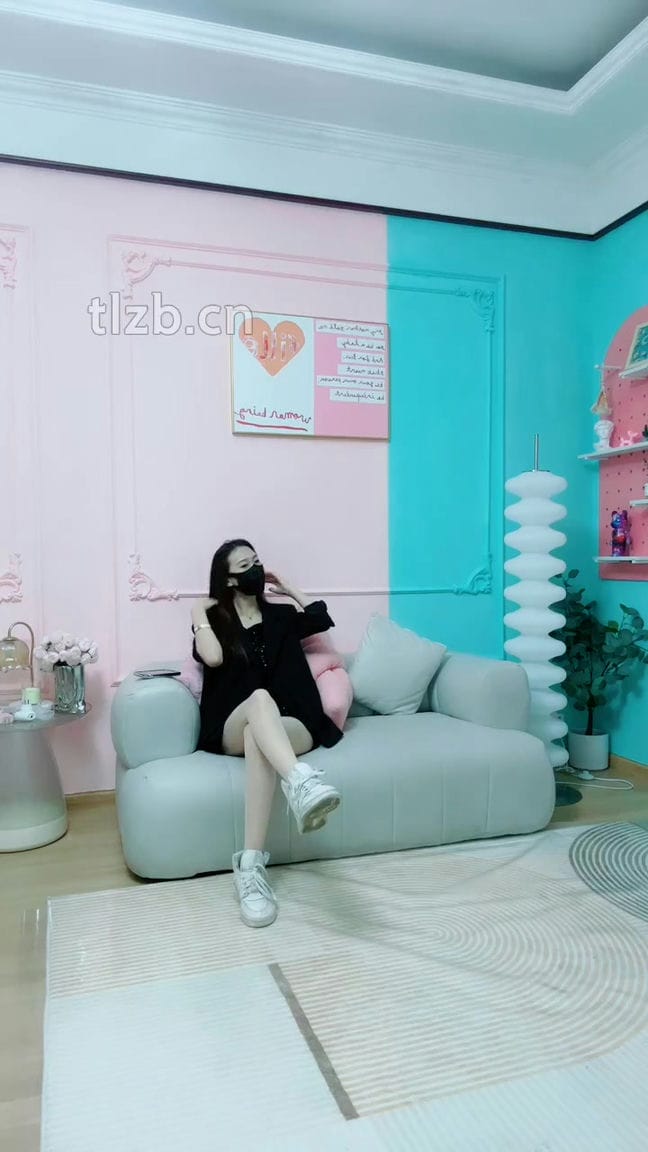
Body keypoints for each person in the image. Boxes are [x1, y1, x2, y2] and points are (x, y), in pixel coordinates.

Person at [191, 539, 343, 929]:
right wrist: (197, 611)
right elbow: (212, 657)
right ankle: (300, 781)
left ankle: (250, 868)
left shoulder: (281, 616)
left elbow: (320, 617)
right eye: (246, 565)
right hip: (232, 724)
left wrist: (287, 587)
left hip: (292, 722)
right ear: (228, 578)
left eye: (257, 561)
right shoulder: (217, 622)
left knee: (259, 737)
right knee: (259, 700)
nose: (256, 569)